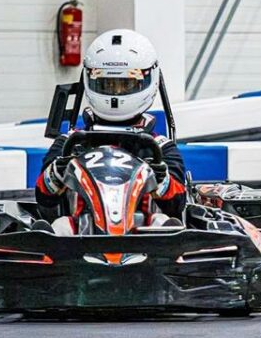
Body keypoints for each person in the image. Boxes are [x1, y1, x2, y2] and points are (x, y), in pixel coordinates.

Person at [35, 29, 188, 222]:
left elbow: (177, 205)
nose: (116, 93)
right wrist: (56, 174)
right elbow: (43, 200)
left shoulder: (161, 148)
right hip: (80, 233)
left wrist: (161, 181)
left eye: (125, 84)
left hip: (145, 234)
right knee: (61, 225)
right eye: (107, 84)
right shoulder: (69, 143)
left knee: (163, 223)